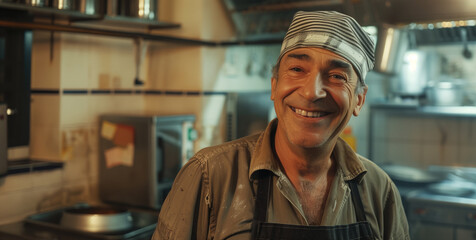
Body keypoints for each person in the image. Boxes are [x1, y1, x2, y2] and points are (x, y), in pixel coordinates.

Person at [152, 11, 410, 240]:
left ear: (359, 100)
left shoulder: (379, 190)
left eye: (336, 76)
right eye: (297, 69)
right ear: (274, 86)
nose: (312, 92)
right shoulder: (210, 175)